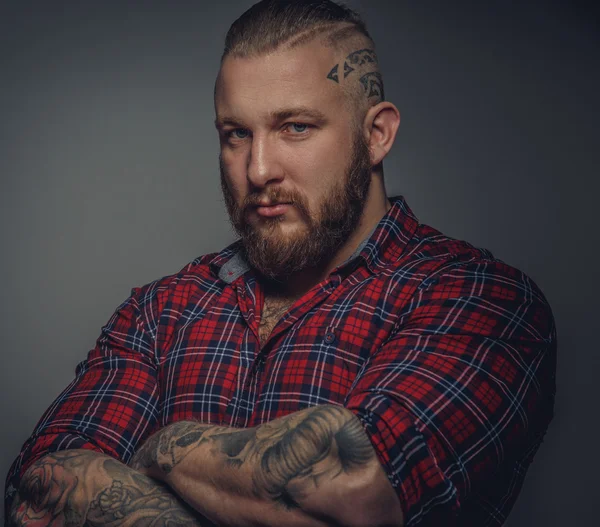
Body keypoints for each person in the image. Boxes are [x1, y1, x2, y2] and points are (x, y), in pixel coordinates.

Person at [5, 1, 556, 526]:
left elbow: (354, 494)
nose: (258, 168)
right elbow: (43, 494)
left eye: (295, 126)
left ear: (376, 134)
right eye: (236, 134)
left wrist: (165, 447)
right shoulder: (162, 312)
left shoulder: (479, 299)